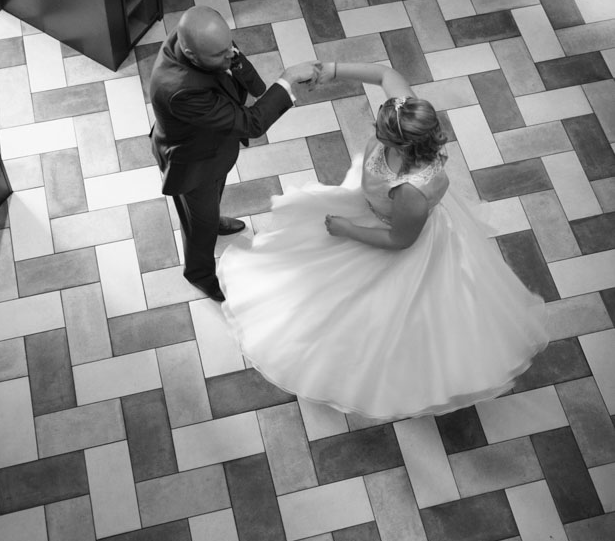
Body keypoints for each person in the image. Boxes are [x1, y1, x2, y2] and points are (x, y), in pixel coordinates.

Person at [217, 60, 549, 421]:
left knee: (376, 317)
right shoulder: (408, 113)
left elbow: (399, 240)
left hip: (389, 232)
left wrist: (346, 229)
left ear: (404, 146)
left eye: (381, 133)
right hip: (373, 208)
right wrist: (333, 69)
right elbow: (385, 74)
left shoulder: (412, 192)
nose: (375, 131)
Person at [149, 6, 318, 302]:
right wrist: (287, 80)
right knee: (198, 225)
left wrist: (252, 81)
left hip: (215, 150)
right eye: (221, 55)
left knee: (211, 205)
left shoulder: (204, 37)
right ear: (190, 55)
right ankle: (199, 273)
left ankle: (213, 220)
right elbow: (252, 123)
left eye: (230, 46)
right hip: (193, 163)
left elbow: (232, 61)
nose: (231, 55)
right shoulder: (179, 89)